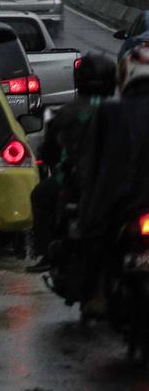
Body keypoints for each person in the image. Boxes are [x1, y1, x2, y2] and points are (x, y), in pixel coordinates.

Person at [25, 53, 116, 272]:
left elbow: (49, 151)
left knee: (40, 195)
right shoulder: (121, 111)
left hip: (75, 182)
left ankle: (45, 253)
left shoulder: (67, 112)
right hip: (114, 183)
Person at [76, 43, 149, 260]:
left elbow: (93, 169)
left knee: (88, 256)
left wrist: (88, 219)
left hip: (120, 205)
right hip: (123, 209)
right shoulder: (108, 112)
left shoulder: (110, 112)